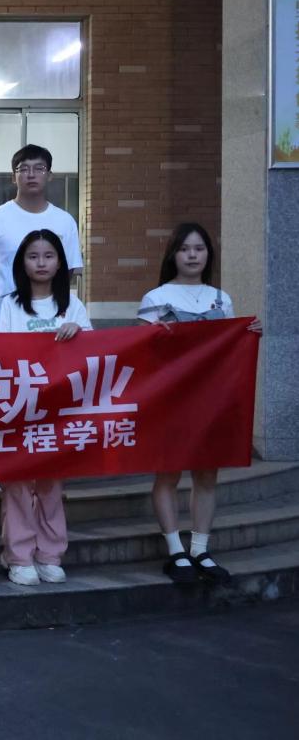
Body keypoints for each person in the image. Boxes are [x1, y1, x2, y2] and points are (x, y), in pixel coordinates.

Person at [138, 222, 262, 585]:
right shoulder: (155, 298)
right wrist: (152, 337)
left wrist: (248, 334)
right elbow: (140, 355)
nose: (192, 255)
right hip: (171, 400)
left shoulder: (221, 299)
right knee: (169, 472)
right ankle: (175, 549)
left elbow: (228, 350)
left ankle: (200, 549)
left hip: (211, 399)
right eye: (184, 249)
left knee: (207, 474)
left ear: (208, 254)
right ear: (173, 254)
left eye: (199, 249)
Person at [0, 144, 83, 504]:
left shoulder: (64, 221)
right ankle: (0, 475)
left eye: (39, 168)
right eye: (24, 168)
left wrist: (48, 306)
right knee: (8, 397)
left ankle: (50, 472)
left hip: (52, 320)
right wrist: (11, 301)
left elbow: (69, 272)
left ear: (49, 175)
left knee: (51, 397)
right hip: (7, 320)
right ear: (14, 175)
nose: (31, 174)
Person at [0, 229, 92, 587]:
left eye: (49, 256)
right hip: (18, 406)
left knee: (50, 483)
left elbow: (95, 355)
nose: (41, 263)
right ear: (22, 263)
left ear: (60, 262)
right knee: (16, 483)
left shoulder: (74, 306)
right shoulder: (7, 306)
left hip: (60, 410)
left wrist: (78, 333)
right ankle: (18, 555)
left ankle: (50, 553)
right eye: (33, 256)